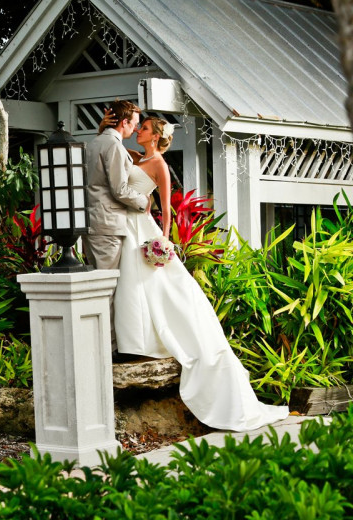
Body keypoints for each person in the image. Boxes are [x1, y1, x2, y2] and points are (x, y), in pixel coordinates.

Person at [108, 113, 290, 431]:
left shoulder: (159, 166)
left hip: (145, 231)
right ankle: (138, 338)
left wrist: (163, 241)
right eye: (139, 126)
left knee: (160, 288)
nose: (139, 130)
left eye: (145, 128)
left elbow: (165, 207)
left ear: (156, 135)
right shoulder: (136, 156)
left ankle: (166, 340)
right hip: (128, 225)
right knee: (137, 287)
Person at [84, 99, 150, 270]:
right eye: (134, 124)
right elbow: (119, 189)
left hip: (91, 222)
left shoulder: (93, 143)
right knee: (108, 283)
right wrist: (144, 201)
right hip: (107, 225)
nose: (136, 129)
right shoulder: (114, 146)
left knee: (98, 281)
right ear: (124, 122)